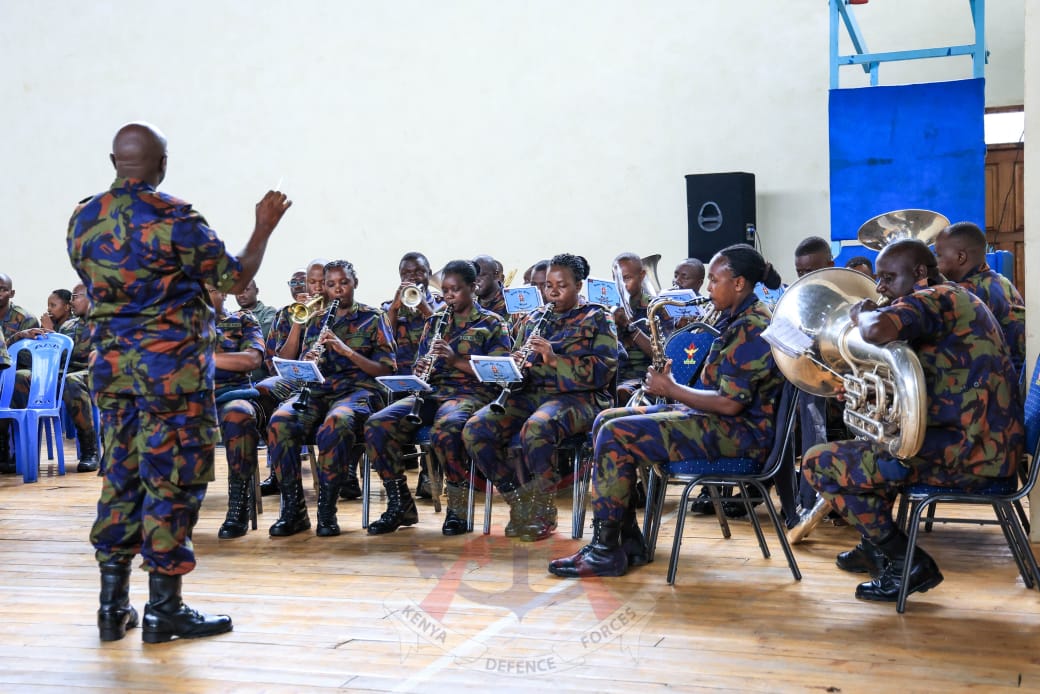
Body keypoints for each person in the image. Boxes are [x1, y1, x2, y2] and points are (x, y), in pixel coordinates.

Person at [67, 122, 291, 643]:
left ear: (113, 161)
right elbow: (234, 279)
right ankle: (165, 609)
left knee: (120, 478)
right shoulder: (175, 218)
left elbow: (101, 282)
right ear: (162, 164)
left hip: (114, 376)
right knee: (171, 482)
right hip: (173, 380)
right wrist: (263, 228)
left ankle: (111, 607)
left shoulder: (83, 217)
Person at [802, 239, 1023, 602]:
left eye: (889, 277)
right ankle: (877, 548)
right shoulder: (955, 298)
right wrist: (869, 394)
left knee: (818, 463)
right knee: (873, 452)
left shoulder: (934, 298)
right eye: (878, 278)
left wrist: (860, 314)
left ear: (920, 273)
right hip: (982, 446)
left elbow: (875, 330)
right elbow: (940, 381)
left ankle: (908, 562)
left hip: (968, 455)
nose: (881, 288)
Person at [548, 244, 784, 578]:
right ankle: (625, 542)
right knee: (606, 420)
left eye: (714, 280)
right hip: (722, 423)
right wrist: (675, 393)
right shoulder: (737, 318)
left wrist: (671, 390)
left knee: (617, 433)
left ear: (740, 283)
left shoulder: (753, 326)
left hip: (741, 434)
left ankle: (604, 550)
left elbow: (731, 403)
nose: (707, 288)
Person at [463, 253, 618, 542]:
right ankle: (519, 502)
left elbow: (603, 372)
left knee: (537, 427)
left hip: (579, 397)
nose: (553, 292)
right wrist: (510, 367)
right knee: (476, 430)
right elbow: (519, 370)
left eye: (562, 285)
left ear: (578, 286)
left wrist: (552, 357)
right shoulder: (534, 318)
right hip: (532, 395)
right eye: (548, 286)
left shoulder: (598, 317)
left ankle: (543, 511)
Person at [365, 260, 511, 535]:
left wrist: (456, 360)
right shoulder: (435, 321)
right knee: (378, 424)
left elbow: (498, 373)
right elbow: (422, 360)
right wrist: (421, 369)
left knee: (447, 428)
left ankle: (458, 509)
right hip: (433, 392)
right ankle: (400, 505)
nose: (449, 296)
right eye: (445, 290)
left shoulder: (492, 323)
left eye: (456, 290)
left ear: (473, 287)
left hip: (472, 393)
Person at [266, 260, 396, 538]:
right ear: (323, 287)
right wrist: (306, 352)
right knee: (280, 421)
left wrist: (345, 350)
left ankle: (327, 510)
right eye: (331, 284)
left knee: (336, 423)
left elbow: (385, 369)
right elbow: (286, 362)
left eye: (344, 283)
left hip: (358, 392)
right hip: (316, 390)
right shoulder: (314, 318)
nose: (338, 290)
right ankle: (294, 510)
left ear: (355, 283)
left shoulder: (373, 318)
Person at [381, 252, 444, 499]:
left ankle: (431, 475)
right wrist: (396, 307)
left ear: (429, 274)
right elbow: (383, 337)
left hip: (433, 379)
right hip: (401, 379)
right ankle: (397, 480)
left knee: (432, 415)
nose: (413, 277)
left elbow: (444, 330)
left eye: (418, 272)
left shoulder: (440, 304)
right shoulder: (389, 306)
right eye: (406, 273)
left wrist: (423, 306)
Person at [208, 283, 267, 540]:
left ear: (223, 293)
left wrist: (202, 359)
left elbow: (252, 360)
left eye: (210, 290)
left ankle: (238, 506)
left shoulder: (242, 320)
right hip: (189, 397)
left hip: (232, 394)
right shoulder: (178, 324)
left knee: (239, 415)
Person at [933, 221, 1026, 378]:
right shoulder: (999, 280)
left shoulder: (967, 292)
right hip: (1016, 379)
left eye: (938, 255)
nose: (935, 262)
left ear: (960, 257)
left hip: (999, 383)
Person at [256, 268, 311, 498]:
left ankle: (347, 474)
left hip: (326, 380)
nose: (298, 286)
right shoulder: (283, 315)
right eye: (294, 282)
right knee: (261, 392)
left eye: (304, 281)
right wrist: (298, 321)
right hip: (293, 379)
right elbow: (279, 360)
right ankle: (278, 473)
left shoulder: (332, 310)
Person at [0, 273, 41, 472]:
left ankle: (13, 448)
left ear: (11, 293)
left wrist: (15, 339)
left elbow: (28, 360)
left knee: (17, 377)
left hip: (20, 373)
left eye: (2, 289)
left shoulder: (25, 319)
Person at [59, 283, 101, 472]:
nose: (71, 301)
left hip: (96, 374)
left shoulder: (106, 324)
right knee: (24, 378)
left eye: (76, 296)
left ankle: (89, 450)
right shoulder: (67, 325)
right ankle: (9, 452)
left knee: (72, 381)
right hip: (68, 373)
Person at [612, 252, 654, 405]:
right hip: (613, 375)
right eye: (616, 280)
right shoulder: (608, 308)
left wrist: (629, 327)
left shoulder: (657, 308)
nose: (621, 285)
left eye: (627, 278)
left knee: (621, 392)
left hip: (643, 377)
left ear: (642, 276)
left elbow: (663, 353)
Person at [473, 254, 508, 318]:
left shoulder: (512, 302)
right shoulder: (468, 304)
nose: (475, 280)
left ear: (496, 275)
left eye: (481, 275)